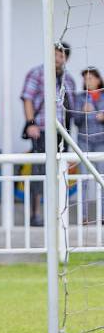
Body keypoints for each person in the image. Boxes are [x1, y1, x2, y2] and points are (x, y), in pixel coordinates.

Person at [21, 42, 76, 226]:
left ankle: (58, 214)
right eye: (54, 54)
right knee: (39, 171)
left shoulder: (68, 79)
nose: (57, 58)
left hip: (62, 133)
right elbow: (27, 98)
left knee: (60, 172)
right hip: (42, 129)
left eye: (61, 55)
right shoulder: (37, 73)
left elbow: (72, 107)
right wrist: (30, 123)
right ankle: (35, 214)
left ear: (65, 58)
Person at [71, 67, 104, 220]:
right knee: (83, 178)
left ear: (98, 79)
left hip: (102, 142)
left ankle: (103, 215)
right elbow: (75, 121)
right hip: (84, 141)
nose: (87, 81)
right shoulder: (80, 98)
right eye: (85, 79)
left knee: (102, 178)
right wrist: (81, 112)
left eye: (90, 78)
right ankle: (83, 216)